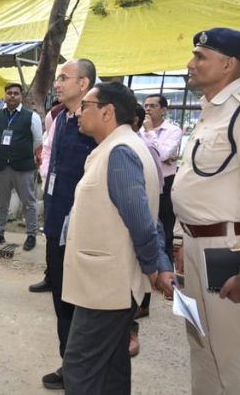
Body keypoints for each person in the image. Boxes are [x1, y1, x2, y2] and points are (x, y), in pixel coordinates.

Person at [172, 28, 240, 395]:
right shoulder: (209, 111)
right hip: (190, 243)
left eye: (201, 56)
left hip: (225, 248)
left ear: (228, 64)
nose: (191, 63)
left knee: (232, 352)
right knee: (199, 342)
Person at [62, 82, 175, 394]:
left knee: (80, 368)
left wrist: (154, 264)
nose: (78, 113)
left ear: (107, 112)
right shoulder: (123, 147)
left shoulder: (119, 153)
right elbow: (151, 218)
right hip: (110, 283)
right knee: (112, 365)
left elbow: (142, 221)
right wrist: (160, 262)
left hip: (107, 286)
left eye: (85, 106)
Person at [35, 59, 98, 390]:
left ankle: (85, 370)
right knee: (62, 301)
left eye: (64, 78)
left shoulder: (98, 120)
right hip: (57, 223)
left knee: (84, 305)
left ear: (84, 84)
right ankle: (69, 365)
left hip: (86, 229)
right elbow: (48, 157)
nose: (57, 83)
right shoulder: (58, 117)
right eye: (57, 78)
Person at [135, 93, 183, 319]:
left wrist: (150, 133)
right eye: (146, 105)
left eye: (153, 106)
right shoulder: (138, 130)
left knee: (164, 233)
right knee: (146, 232)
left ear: (164, 109)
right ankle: (144, 291)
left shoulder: (172, 131)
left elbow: (164, 154)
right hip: (144, 183)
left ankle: (166, 281)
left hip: (166, 186)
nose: (148, 109)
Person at [0, 82, 43, 251]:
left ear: (21, 96)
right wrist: (5, 152)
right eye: (9, 93)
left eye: (16, 93)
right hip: (1, 165)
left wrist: (19, 151)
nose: (12, 96)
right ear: (5, 95)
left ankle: (31, 235)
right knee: (1, 202)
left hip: (23, 166)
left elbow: (37, 140)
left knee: (29, 202)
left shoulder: (30, 116)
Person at [128, 103, 166, 358]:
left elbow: (147, 217)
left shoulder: (133, 150)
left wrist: (158, 265)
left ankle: (133, 322)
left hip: (141, 222)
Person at [28, 101, 67, 295]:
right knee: (51, 233)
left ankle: (67, 282)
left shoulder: (89, 112)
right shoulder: (57, 115)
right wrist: (46, 172)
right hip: (52, 185)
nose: (58, 85)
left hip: (74, 187)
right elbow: (48, 147)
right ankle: (51, 276)